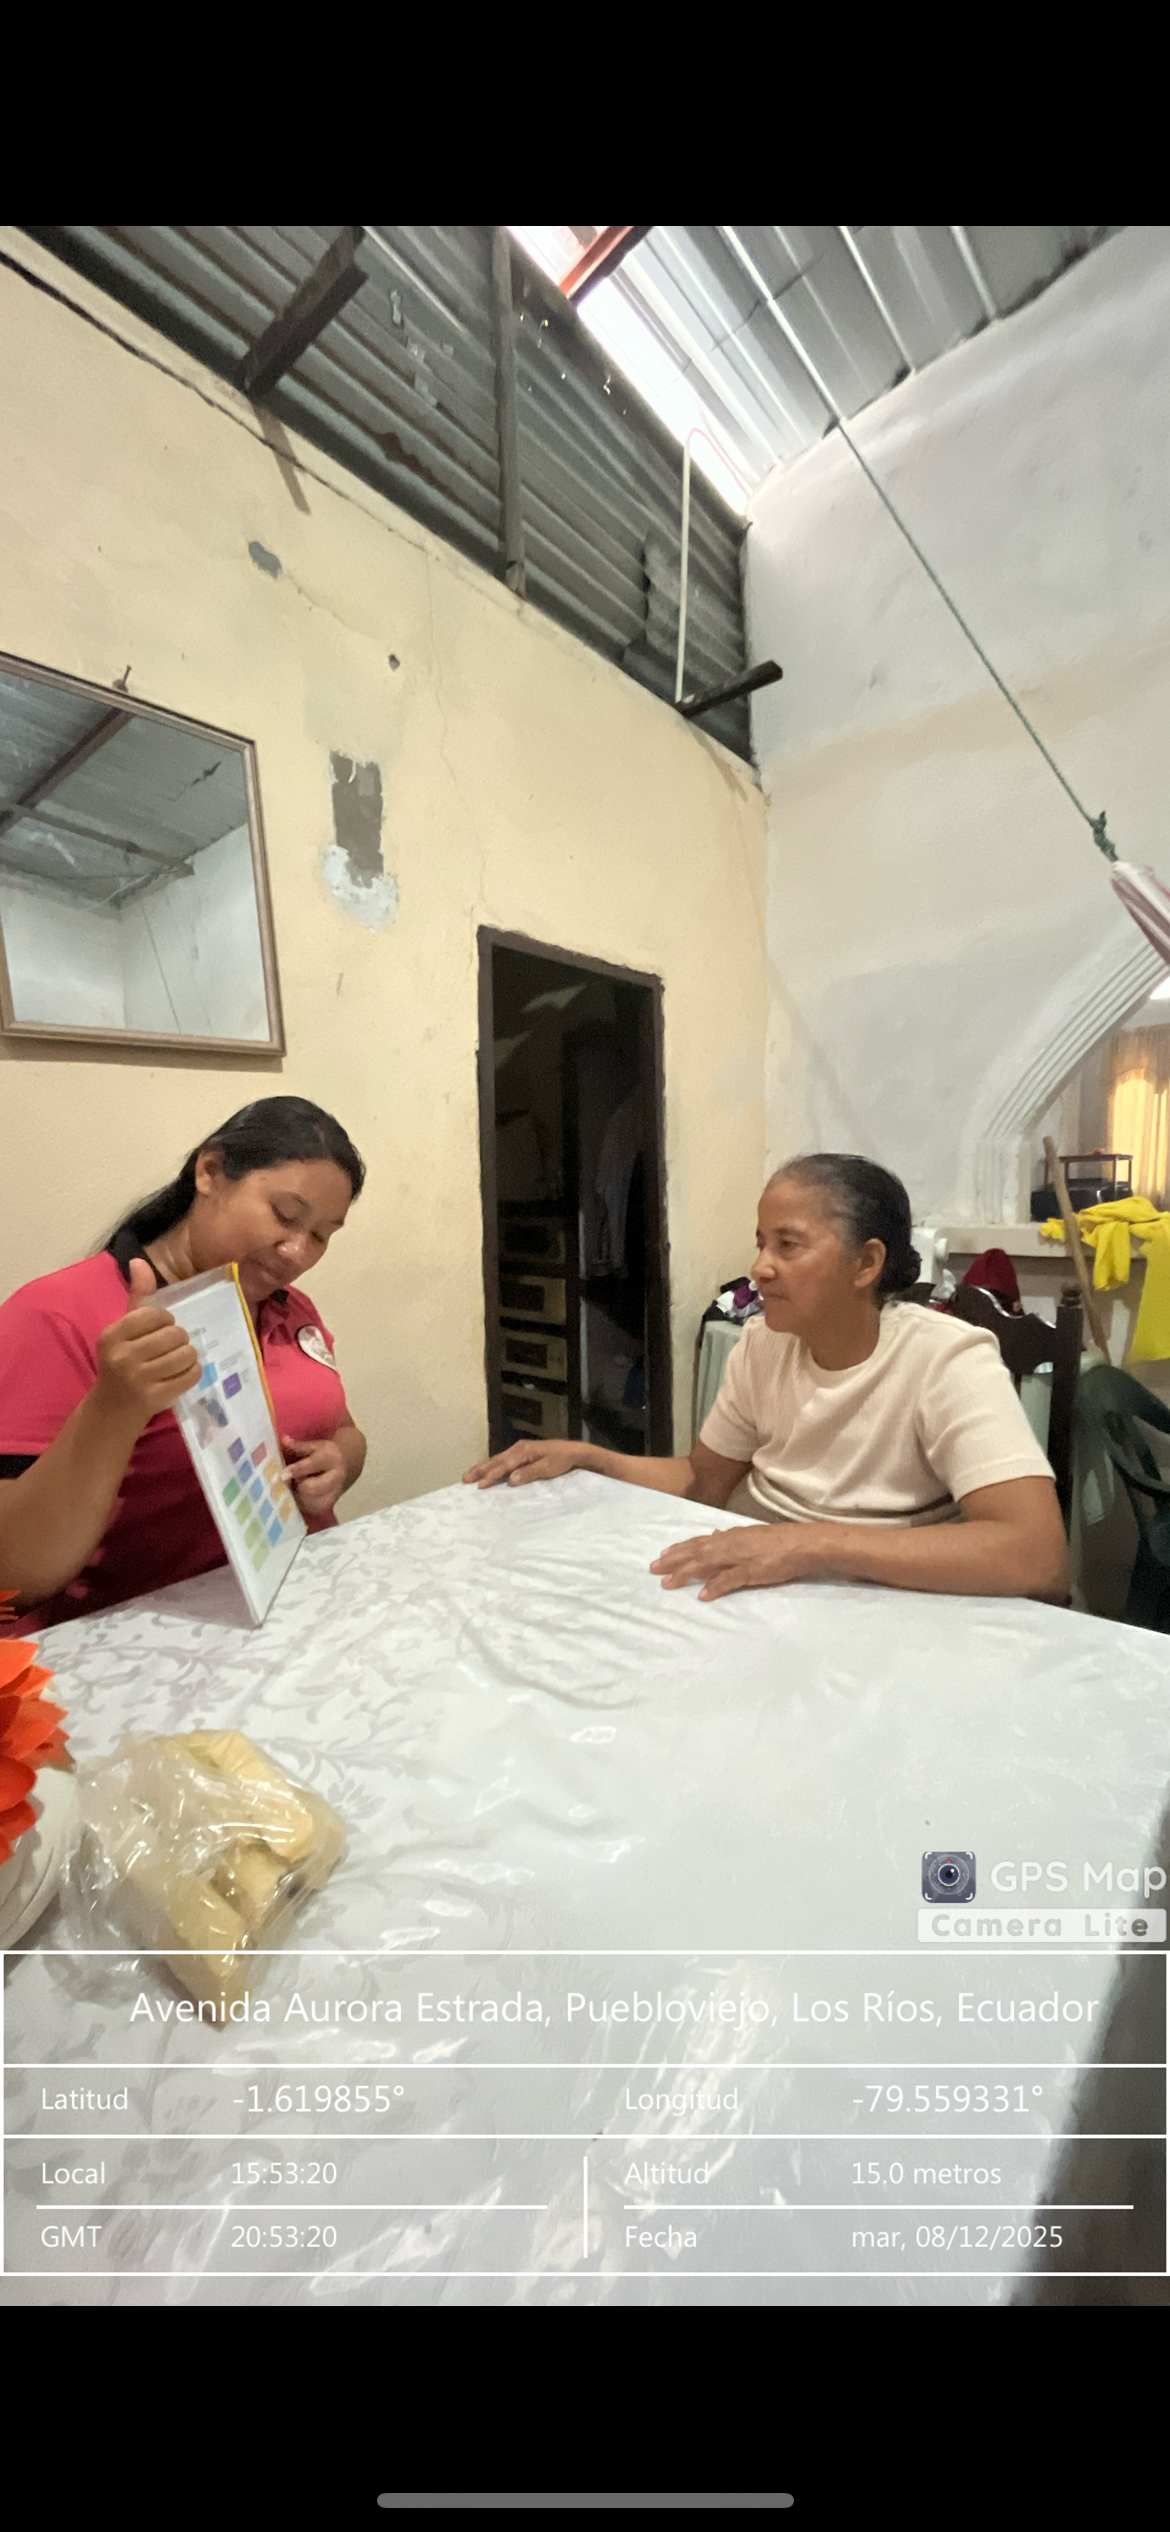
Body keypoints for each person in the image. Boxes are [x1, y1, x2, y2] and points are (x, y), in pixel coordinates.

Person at [465, 1152, 1069, 1605]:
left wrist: (804, 1543)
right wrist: (589, 1457)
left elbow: (1037, 1556)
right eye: (760, 1244)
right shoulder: (761, 1344)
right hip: (768, 1588)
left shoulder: (944, 1359)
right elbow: (703, 1481)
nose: (760, 1267)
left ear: (866, 1263)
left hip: (881, 1604)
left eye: (788, 1245)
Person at [0, 1097, 367, 1634]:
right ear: (210, 1171)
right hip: (147, 1640)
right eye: (286, 1216)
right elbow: (12, 1576)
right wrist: (116, 1404)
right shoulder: (58, 1315)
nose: (296, 1252)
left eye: (320, 1235)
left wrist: (340, 1462)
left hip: (298, 1609)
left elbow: (346, 1432)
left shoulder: (289, 1308)